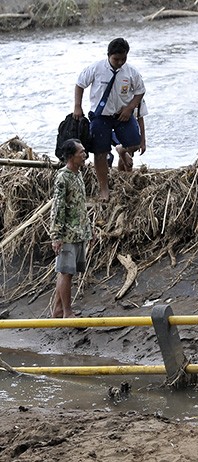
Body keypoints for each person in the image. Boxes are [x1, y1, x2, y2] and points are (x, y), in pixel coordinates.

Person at [73, 37, 146, 200]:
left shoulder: (131, 72)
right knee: (100, 152)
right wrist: (77, 106)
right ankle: (104, 189)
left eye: (123, 59)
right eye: (116, 59)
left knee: (135, 143)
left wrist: (129, 108)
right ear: (108, 55)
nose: (120, 62)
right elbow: (79, 84)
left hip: (122, 114)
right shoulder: (96, 68)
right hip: (101, 116)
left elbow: (140, 91)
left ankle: (121, 149)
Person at [48, 139, 92, 319]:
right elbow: (57, 208)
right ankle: (67, 313)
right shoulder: (62, 177)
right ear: (71, 156)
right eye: (81, 152)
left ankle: (58, 310)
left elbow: (80, 205)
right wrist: (56, 236)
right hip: (67, 234)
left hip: (79, 231)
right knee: (65, 272)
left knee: (67, 272)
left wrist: (89, 229)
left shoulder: (78, 175)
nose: (85, 155)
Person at [111, 99, 147, 171]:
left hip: (131, 130)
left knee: (127, 154)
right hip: (116, 129)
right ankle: (127, 175)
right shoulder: (120, 96)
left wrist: (143, 140)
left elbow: (140, 119)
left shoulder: (139, 100)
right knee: (127, 154)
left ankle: (123, 176)